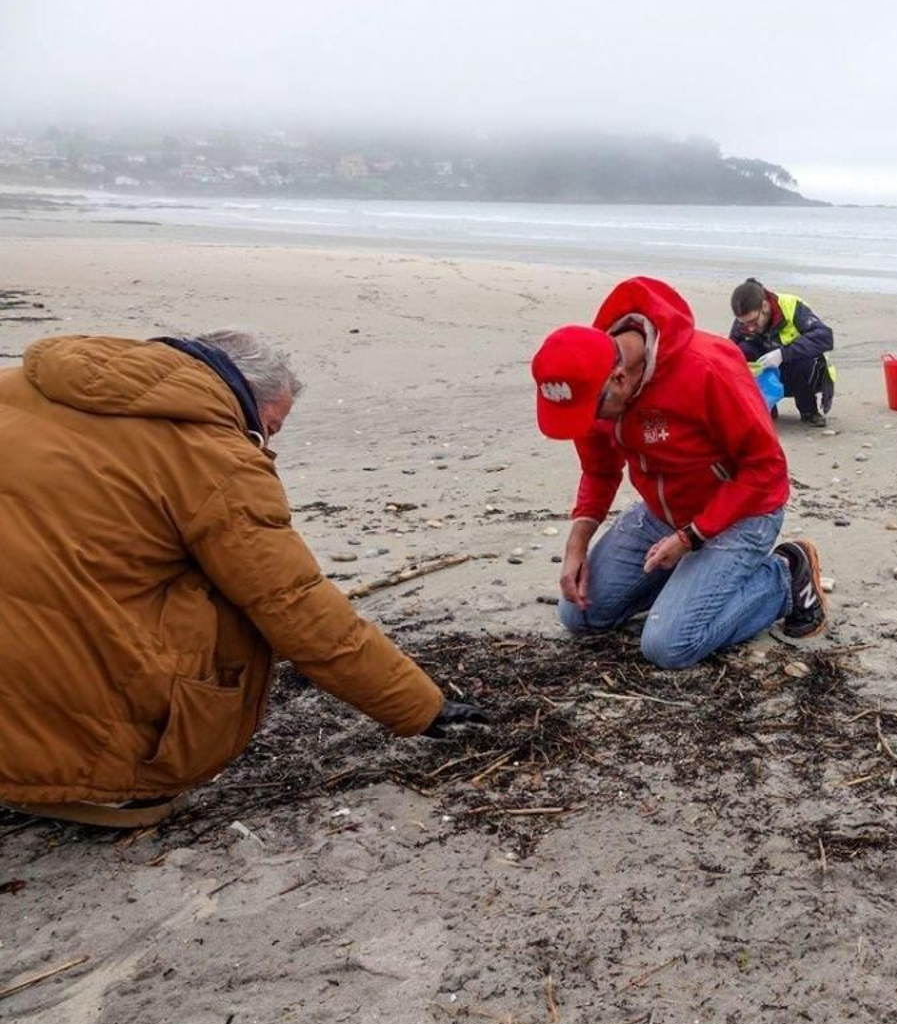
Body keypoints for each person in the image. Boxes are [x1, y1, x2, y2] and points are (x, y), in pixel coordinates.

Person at [0, 331, 483, 828]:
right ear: (244, 400)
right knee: (238, 589)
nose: (265, 443)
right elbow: (298, 607)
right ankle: (88, 778)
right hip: (82, 744)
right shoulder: (214, 456)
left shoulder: (15, 386)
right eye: (268, 428)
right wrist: (423, 708)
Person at [532, 276, 828, 669]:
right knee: (580, 615)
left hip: (741, 514)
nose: (589, 423)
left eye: (590, 413)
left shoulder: (707, 368)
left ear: (618, 379)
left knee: (669, 646)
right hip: (664, 513)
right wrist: (575, 548)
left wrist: (693, 536)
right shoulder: (588, 383)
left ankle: (784, 575)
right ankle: (690, 587)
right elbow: (599, 471)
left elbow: (767, 468)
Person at [729, 278, 835, 428]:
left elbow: (825, 337)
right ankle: (765, 406)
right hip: (767, 376)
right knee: (741, 352)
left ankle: (809, 411)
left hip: (803, 373)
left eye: (753, 321)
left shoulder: (791, 306)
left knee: (803, 361)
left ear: (764, 306)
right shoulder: (745, 319)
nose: (750, 328)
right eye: (744, 323)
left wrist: (782, 354)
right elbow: (729, 354)